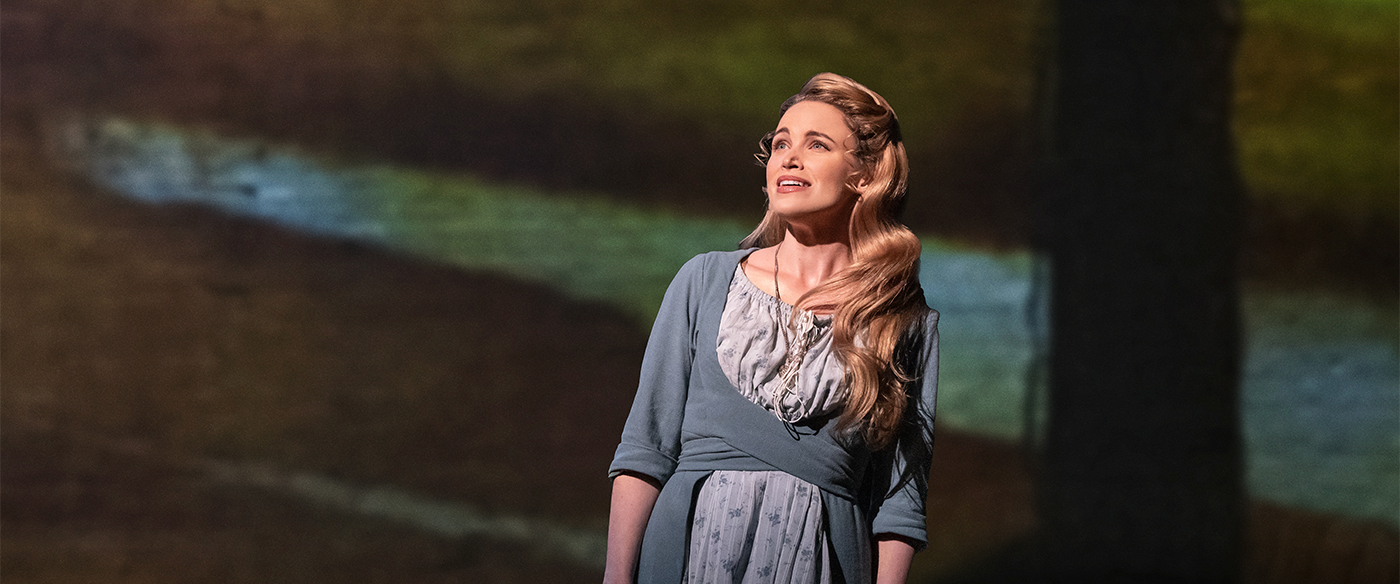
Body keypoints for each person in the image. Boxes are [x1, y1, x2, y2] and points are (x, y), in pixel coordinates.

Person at [604, 72, 939, 584]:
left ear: (865, 175)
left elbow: (900, 500)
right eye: (781, 144)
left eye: (817, 145)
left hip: (824, 559)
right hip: (690, 553)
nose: (789, 158)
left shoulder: (901, 318)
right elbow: (646, 450)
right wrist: (616, 576)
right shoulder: (705, 280)